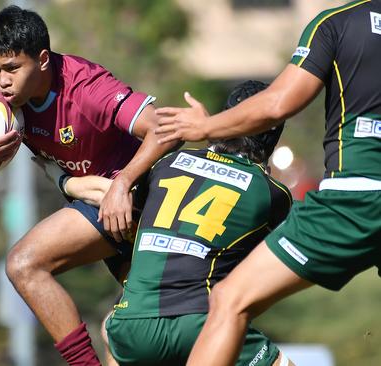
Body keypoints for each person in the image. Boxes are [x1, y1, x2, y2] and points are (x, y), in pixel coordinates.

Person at [0, 5, 178, 364]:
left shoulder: (87, 88)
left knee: (29, 267)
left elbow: (165, 130)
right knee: (130, 331)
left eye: (12, 69)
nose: (2, 81)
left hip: (140, 200)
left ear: (42, 60)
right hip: (96, 203)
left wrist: (123, 184)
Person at [155, 1, 381, 365]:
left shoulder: (338, 22)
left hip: (354, 199)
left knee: (230, 300)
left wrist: (204, 127)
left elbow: (278, 104)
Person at [97, 81, 292, 366]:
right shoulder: (271, 192)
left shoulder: (168, 162)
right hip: (199, 324)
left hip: (131, 327)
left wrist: (68, 182)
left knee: (109, 328)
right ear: (273, 134)